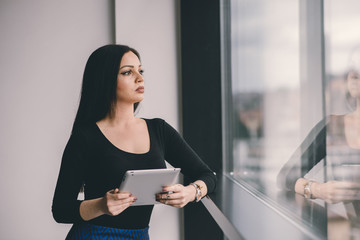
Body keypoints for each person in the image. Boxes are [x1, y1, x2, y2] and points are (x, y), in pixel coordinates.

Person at [52, 44, 217, 239]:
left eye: (141, 70)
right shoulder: (85, 137)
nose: (140, 78)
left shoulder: (159, 130)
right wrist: (101, 205)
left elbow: (207, 175)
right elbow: (61, 210)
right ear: (105, 79)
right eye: (127, 72)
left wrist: (191, 192)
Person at [277, 48, 360, 217]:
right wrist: (319, 189)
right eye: (352, 69)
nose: (354, 74)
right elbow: (286, 175)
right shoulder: (333, 126)